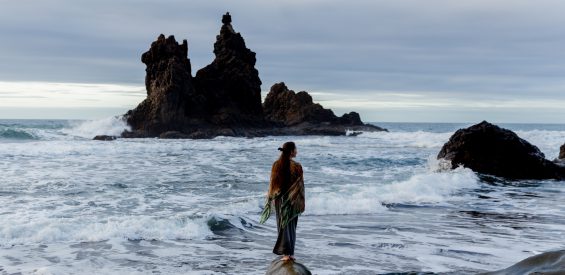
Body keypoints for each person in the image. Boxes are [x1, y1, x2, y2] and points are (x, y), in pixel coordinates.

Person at [259, 141, 305, 261]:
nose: (297, 151)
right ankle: (289, 254)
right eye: (296, 149)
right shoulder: (297, 166)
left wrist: (271, 198)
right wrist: (301, 202)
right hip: (293, 199)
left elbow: (273, 184)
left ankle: (287, 254)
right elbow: (300, 186)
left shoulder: (276, 165)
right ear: (291, 151)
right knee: (291, 225)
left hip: (280, 198)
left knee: (283, 225)